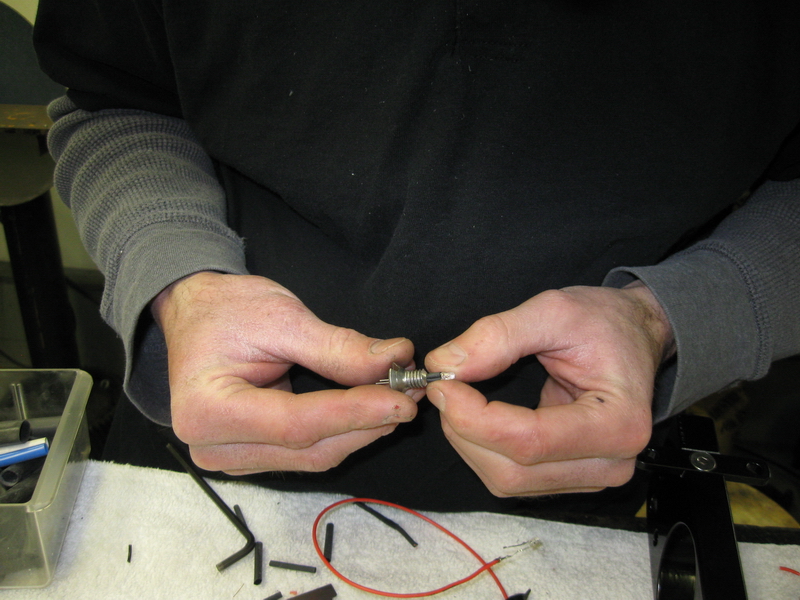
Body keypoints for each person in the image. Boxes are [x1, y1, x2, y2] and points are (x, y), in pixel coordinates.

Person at [33, 1, 800, 512]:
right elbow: (114, 101)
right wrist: (180, 283)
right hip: (203, 471)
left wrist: (668, 318)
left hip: (590, 474)